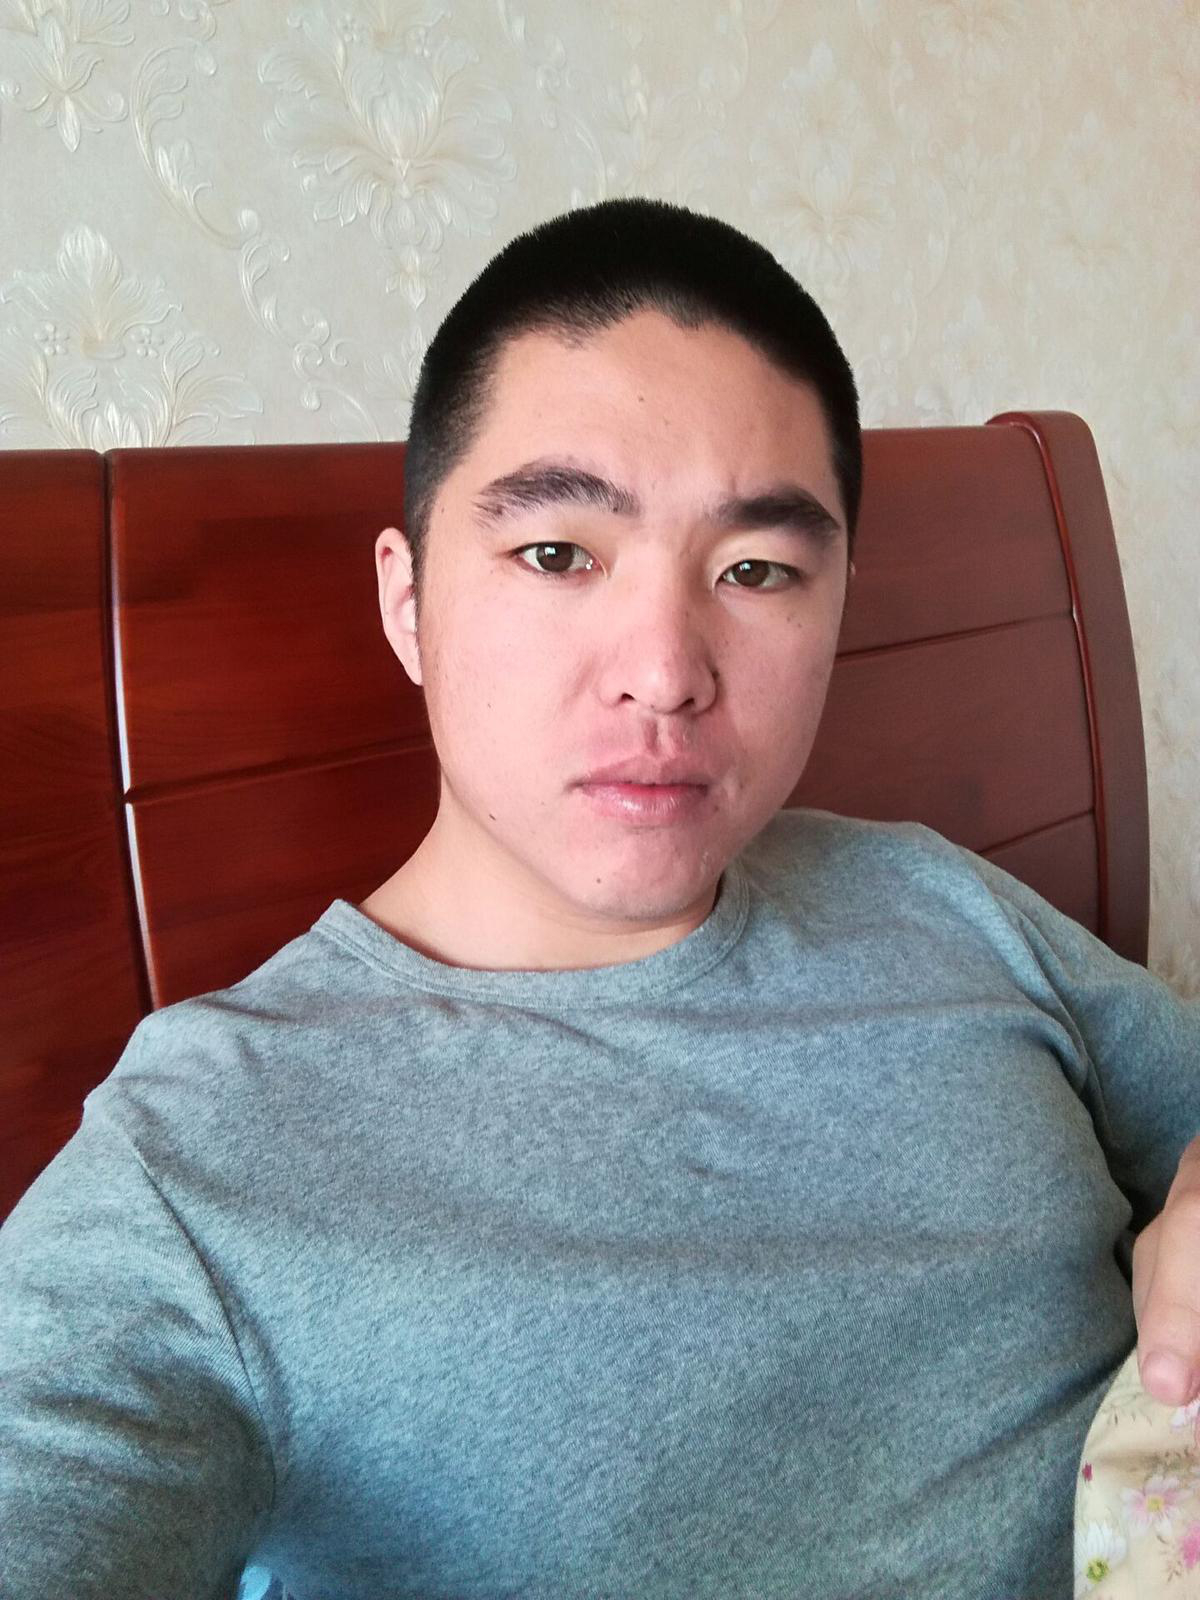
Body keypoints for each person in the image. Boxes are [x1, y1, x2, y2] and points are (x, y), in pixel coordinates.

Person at [0, 198, 1197, 1600]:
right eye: (558, 553)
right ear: (407, 602)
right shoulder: (196, 1166)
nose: (666, 673)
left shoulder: (930, 892)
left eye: (757, 570)